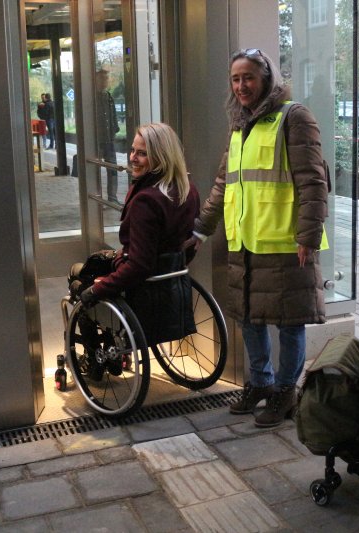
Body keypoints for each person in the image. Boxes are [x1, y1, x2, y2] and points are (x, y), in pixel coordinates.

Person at [186, 48, 329, 428]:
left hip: (285, 242)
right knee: (249, 317)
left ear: (266, 78)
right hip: (245, 241)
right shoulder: (240, 124)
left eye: (248, 77)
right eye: (235, 79)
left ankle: (286, 391)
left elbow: (313, 181)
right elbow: (224, 182)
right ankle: (261, 383)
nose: (241, 85)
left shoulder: (294, 117)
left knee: (289, 322)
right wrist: (202, 228)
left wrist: (309, 236)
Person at [79, 122, 199, 303]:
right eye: (133, 150)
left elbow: (139, 266)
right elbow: (189, 247)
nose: (133, 158)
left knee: (81, 276)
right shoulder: (188, 191)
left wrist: (96, 290)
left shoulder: (146, 201)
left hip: (143, 288)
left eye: (142, 153)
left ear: (161, 157)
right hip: (172, 282)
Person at [95, 69, 121, 203]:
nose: (105, 81)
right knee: (95, 168)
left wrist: (114, 130)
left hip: (109, 140)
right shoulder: (92, 97)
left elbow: (113, 115)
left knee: (113, 169)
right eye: (102, 79)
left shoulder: (108, 96)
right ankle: (97, 197)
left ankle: (112, 197)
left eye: (106, 78)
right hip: (97, 140)